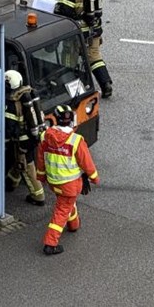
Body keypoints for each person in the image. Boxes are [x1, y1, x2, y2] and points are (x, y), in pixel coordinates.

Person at [36, 105, 99, 255]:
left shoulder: (45, 136)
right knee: (61, 210)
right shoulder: (75, 141)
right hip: (69, 185)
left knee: (66, 203)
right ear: (71, 120)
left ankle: (74, 225)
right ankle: (50, 243)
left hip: (54, 182)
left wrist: (41, 176)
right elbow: (86, 162)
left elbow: (40, 158)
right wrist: (94, 177)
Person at [54, 0, 114, 98]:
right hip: (94, 28)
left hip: (77, 30)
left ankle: (72, 91)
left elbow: (66, 11)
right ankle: (106, 84)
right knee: (94, 57)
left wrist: (57, 8)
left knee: (69, 60)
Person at [4, 70, 45, 206]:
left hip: (21, 141)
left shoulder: (12, 103)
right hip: (31, 138)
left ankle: (38, 196)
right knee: (18, 160)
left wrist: (4, 140)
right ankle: (11, 182)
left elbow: (10, 127)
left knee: (26, 165)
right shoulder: (27, 94)